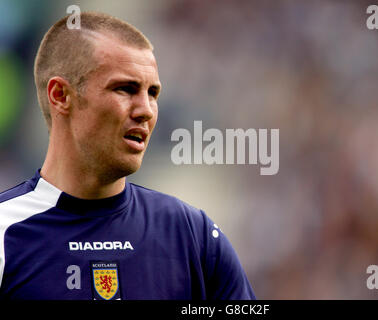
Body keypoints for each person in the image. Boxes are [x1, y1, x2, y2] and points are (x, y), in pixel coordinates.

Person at [0, 11, 255, 300]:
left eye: (153, 93)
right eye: (125, 89)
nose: (146, 110)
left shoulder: (193, 235)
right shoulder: (5, 230)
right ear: (60, 95)